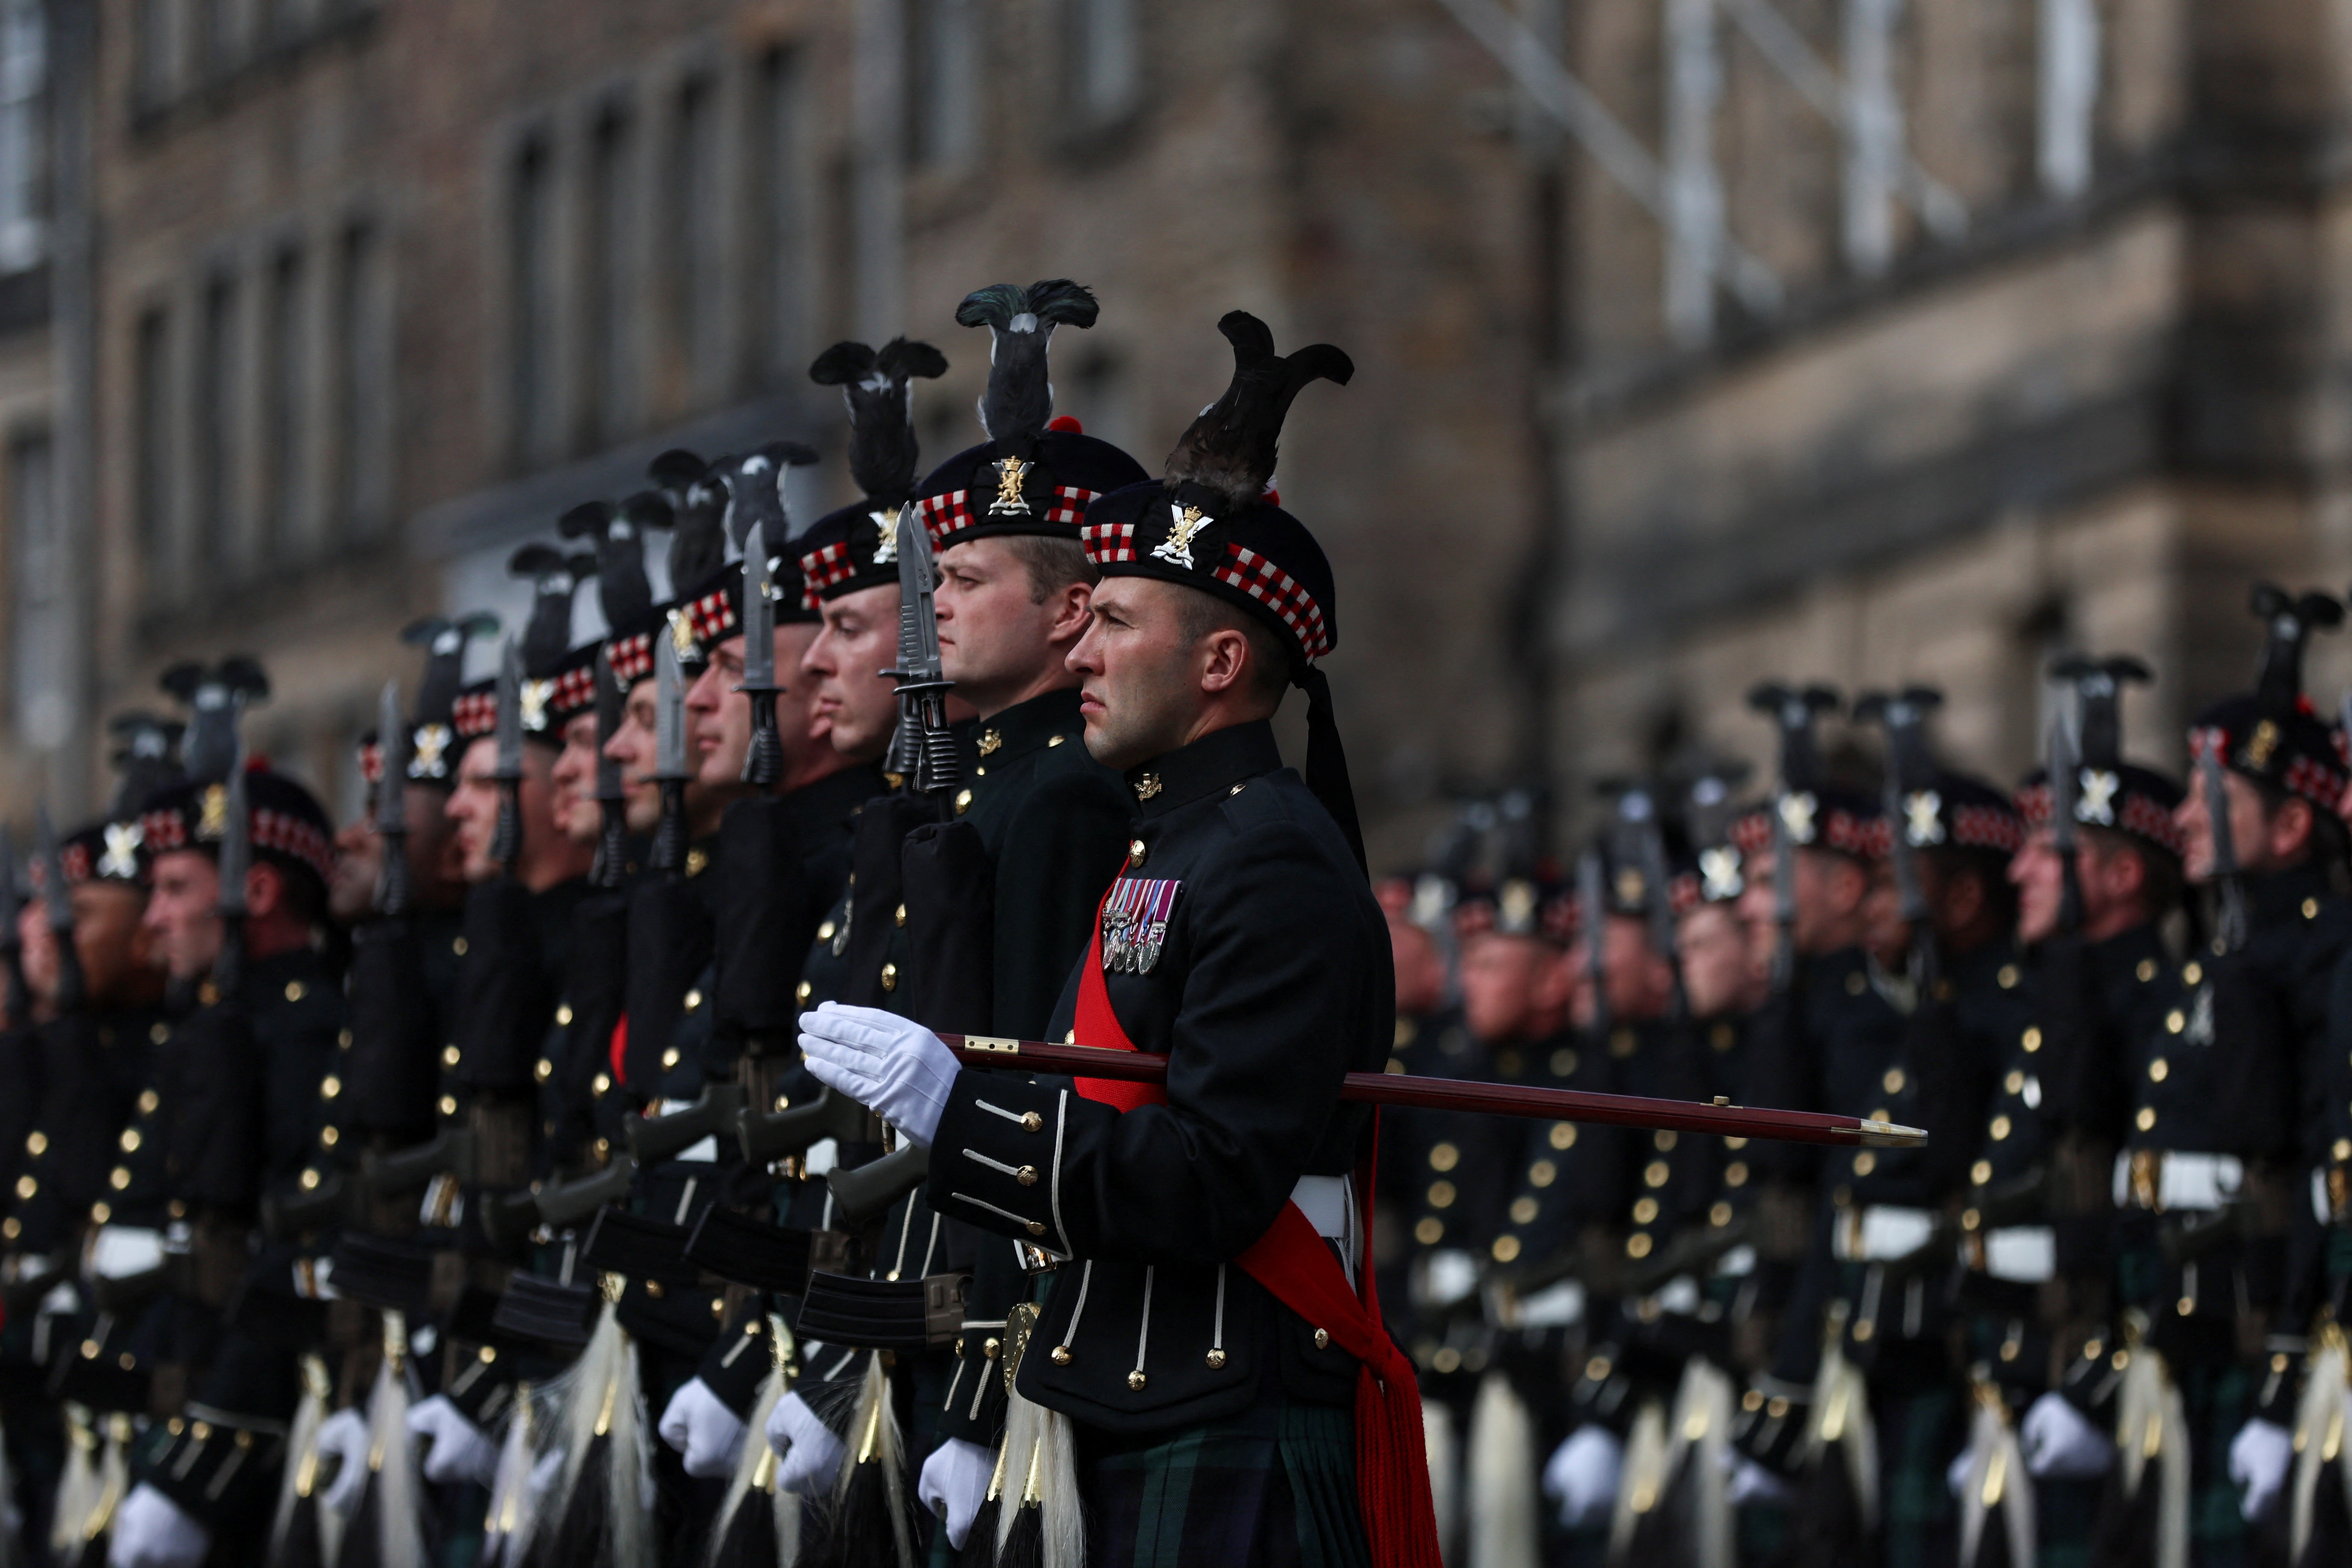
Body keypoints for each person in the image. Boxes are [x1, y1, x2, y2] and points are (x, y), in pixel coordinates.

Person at [794, 310, 1436, 1564]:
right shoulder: (1174, 840)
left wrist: (959, 1111)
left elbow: (1207, 1173)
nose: (1079, 646)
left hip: (1226, 1394)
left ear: (1220, 661)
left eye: (1119, 624)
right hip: (1130, 1395)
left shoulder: (1275, 861)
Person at [108, 667, 347, 1568]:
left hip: (264, 1440)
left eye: (174, 887)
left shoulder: (306, 1028)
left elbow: (290, 1254)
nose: (155, 917)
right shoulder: (219, 1024)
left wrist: (198, 1472)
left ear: (258, 891)